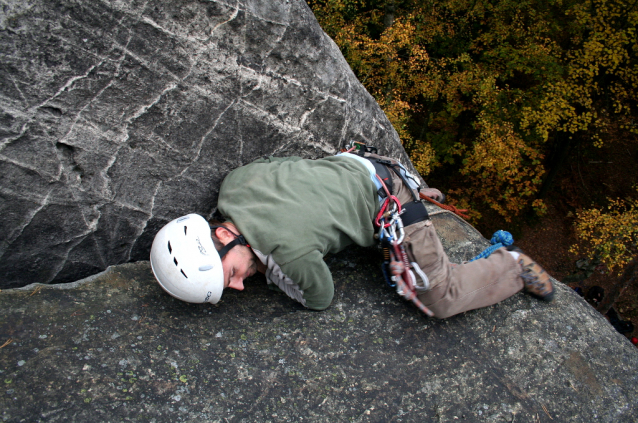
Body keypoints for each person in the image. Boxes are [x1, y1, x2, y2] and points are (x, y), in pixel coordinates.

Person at [150, 146, 554, 318]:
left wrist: (270, 272)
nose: (239, 287)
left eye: (232, 276)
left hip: (389, 200)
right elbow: (285, 161)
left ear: (222, 237)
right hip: (357, 162)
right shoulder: (233, 183)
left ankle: (513, 266)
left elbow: (319, 297)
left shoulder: (284, 256)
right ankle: (416, 188)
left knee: (439, 297)